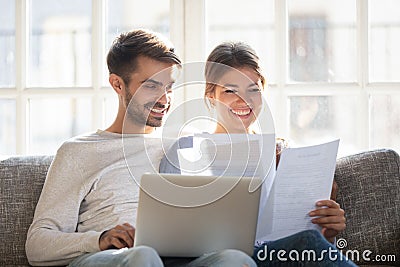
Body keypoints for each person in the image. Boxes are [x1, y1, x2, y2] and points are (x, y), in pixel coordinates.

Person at [25, 30, 256, 267]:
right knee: (143, 256)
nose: (165, 99)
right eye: (151, 86)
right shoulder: (79, 152)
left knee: (234, 259)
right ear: (117, 84)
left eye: (169, 87)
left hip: (181, 259)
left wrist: (273, 149)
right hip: (112, 258)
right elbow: (37, 245)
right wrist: (100, 239)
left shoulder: (188, 144)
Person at [160, 42, 356, 266]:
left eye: (253, 89)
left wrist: (328, 230)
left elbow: (308, 246)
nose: (244, 100)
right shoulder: (186, 151)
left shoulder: (284, 154)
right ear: (210, 95)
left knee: (309, 241)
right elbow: (167, 233)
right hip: (214, 259)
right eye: (230, 91)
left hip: (274, 257)